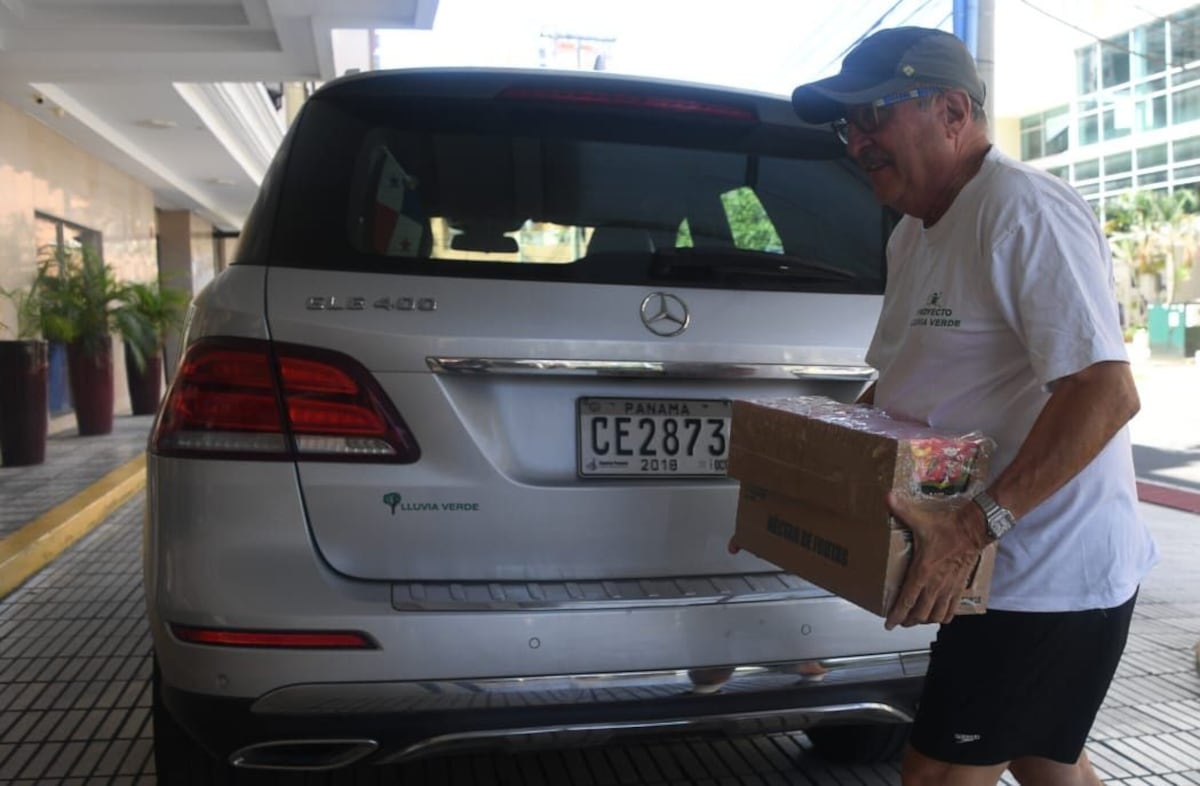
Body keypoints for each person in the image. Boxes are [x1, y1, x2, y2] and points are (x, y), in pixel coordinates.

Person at [789, 26, 1159, 786]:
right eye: (847, 125)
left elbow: (1105, 391)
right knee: (1045, 763)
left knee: (933, 776)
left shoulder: (1022, 210)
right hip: (986, 571)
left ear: (953, 110)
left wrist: (970, 526)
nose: (857, 143)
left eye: (874, 117)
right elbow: (899, 391)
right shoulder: (913, 236)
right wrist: (805, 492)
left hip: (1046, 574)